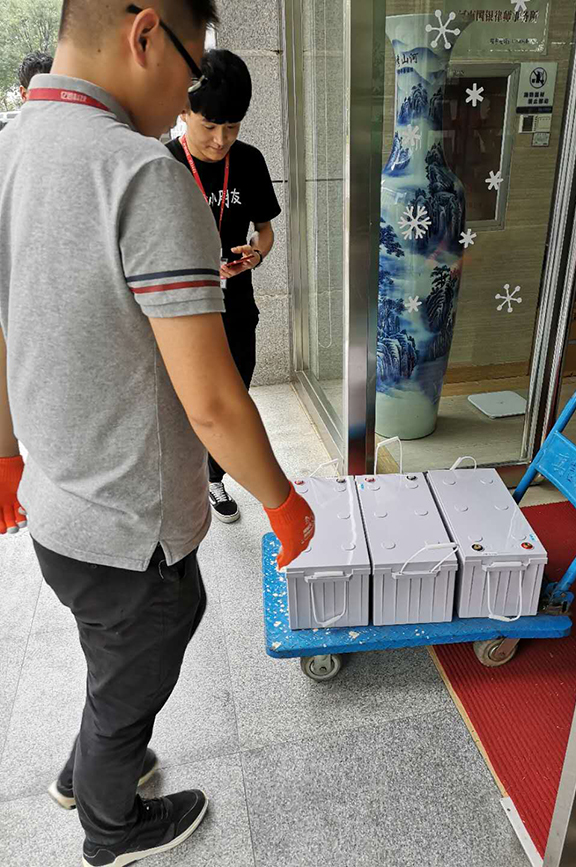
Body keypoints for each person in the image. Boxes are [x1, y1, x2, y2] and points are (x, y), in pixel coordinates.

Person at [0, 2, 315, 866]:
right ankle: (110, 825)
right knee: (148, 648)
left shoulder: (10, 149)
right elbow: (211, 398)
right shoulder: (144, 175)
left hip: (56, 505)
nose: (187, 95)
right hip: (127, 524)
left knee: (115, 654)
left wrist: (5, 458)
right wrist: (284, 503)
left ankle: (89, 765)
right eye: (191, 64)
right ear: (145, 35)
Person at [167, 49, 280, 525]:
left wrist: (256, 254)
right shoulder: (163, 164)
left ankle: (214, 477)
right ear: (184, 110)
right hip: (180, 314)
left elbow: (265, 232)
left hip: (236, 305)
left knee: (235, 394)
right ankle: (183, 480)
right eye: (210, 125)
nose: (220, 140)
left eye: (231, 127)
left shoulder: (249, 161)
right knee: (186, 402)